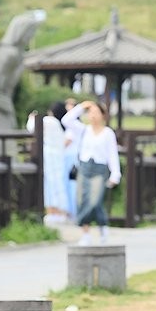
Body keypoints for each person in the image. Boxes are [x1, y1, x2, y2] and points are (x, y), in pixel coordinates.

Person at [61, 100, 121, 245]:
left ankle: (102, 225)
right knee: (82, 200)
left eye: (96, 112)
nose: (93, 115)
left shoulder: (107, 133)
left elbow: (112, 154)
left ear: (103, 115)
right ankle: (86, 232)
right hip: (84, 167)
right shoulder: (83, 130)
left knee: (95, 200)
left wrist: (115, 173)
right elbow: (66, 120)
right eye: (91, 113)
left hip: (100, 168)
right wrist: (81, 107)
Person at [28, 101, 72, 223]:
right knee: (59, 184)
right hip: (59, 157)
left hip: (49, 156)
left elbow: (31, 128)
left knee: (50, 184)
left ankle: (53, 212)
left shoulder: (50, 121)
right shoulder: (60, 125)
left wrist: (31, 118)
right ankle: (60, 212)